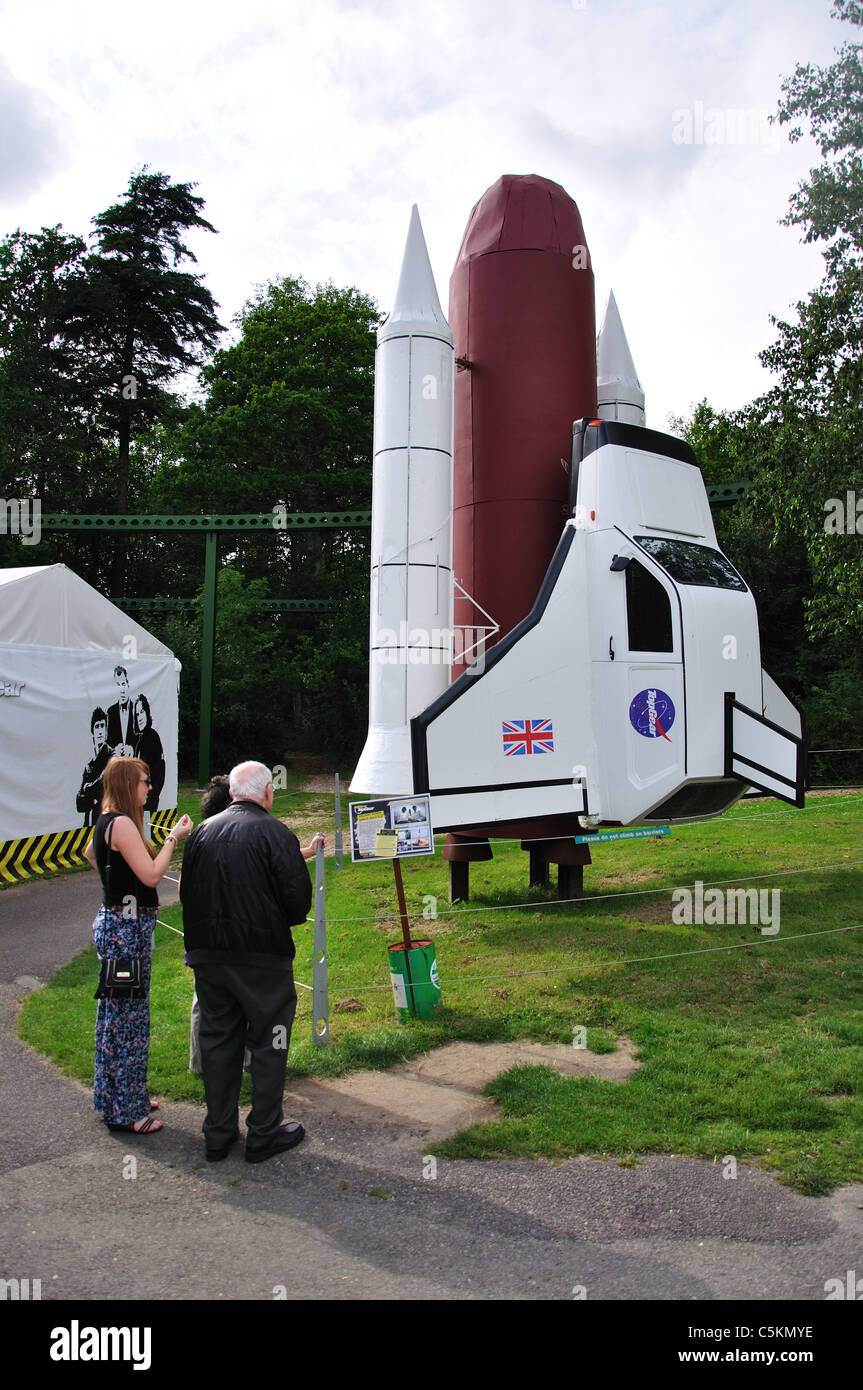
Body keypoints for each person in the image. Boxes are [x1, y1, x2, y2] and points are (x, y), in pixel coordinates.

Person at [179, 760, 324, 1163]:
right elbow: (297, 904)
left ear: (231, 794)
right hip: (263, 959)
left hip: (209, 957)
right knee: (269, 1042)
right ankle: (263, 1131)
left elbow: (188, 895)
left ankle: (218, 1132)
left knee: (219, 1039)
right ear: (267, 793)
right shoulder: (276, 834)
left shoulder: (201, 834)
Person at [84, 756, 193, 1134]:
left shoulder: (105, 820)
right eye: (145, 781)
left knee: (115, 1018)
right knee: (128, 1021)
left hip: (116, 925)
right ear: (130, 784)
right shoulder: (124, 824)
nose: (149, 787)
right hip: (126, 935)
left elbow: (92, 855)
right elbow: (150, 875)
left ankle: (118, 1095)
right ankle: (128, 1111)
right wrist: (174, 840)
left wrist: (115, 889)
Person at [76, 708, 111, 828]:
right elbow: (80, 805)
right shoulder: (89, 765)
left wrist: (87, 788)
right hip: (89, 823)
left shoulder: (112, 755)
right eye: (97, 726)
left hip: (107, 820)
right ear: (92, 731)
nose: (100, 730)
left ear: (106, 730)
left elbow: (102, 785)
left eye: (102, 726)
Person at [132, 694, 165, 812]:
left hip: (148, 800)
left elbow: (160, 771)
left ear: (146, 712)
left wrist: (151, 796)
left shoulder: (153, 737)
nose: (139, 717)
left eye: (141, 712)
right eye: (136, 714)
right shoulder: (134, 738)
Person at [106, 665, 135, 755]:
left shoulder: (136, 710)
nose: (121, 690)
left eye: (123, 684)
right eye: (118, 685)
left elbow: (142, 740)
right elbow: (108, 742)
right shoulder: (110, 712)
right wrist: (114, 750)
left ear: (128, 685)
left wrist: (132, 749)